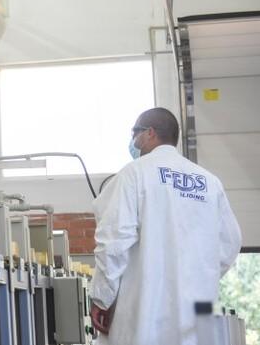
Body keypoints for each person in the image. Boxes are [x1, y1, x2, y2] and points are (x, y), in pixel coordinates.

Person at [89, 107, 242, 345]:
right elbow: (231, 243)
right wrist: (197, 276)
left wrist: (101, 298)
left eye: (135, 134)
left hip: (145, 315)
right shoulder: (210, 183)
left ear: (149, 133)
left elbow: (113, 242)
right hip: (199, 316)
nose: (133, 142)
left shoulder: (135, 174)